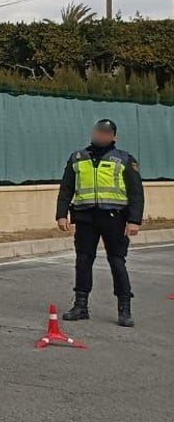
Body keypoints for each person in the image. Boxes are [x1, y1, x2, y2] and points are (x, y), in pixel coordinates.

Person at [55, 118, 144, 327]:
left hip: (115, 217)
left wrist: (134, 220)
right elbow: (66, 187)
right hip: (86, 217)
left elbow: (136, 192)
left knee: (117, 262)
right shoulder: (78, 158)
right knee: (83, 261)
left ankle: (124, 308)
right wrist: (61, 214)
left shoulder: (123, 159)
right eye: (98, 132)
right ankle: (80, 306)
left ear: (113, 136)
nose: (101, 136)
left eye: (106, 133)